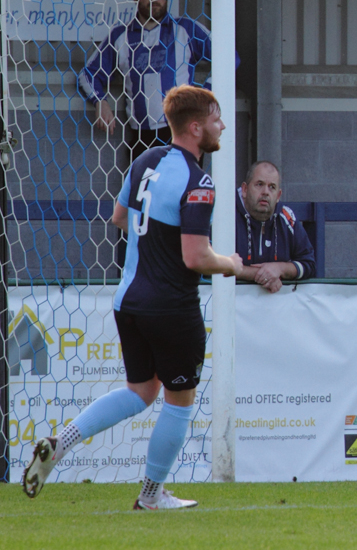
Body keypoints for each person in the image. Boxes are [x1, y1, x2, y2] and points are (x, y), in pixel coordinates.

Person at [22, 85, 243, 510]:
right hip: (171, 306)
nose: (222, 125)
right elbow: (196, 257)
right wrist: (230, 264)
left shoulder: (145, 160)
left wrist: (155, 241)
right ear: (196, 128)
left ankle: (61, 442)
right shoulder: (199, 182)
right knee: (179, 401)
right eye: (216, 119)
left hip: (129, 300)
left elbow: (119, 217)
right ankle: (150, 496)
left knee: (140, 391)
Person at [78, 0, 219, 163]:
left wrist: (205, 95)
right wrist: (99, 101)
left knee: (183, 182)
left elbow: (228, 55)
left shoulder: (185, 29)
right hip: (142, 137)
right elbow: (87, 74)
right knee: (144, 183)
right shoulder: (121, 36)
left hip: (183, 133)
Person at [235, 160, 317, 292]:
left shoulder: (287, 217)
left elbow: (309, 264)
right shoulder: (224, 215)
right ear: (245, 189)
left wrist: (280, 268)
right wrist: (260, 275)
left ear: (278, 196)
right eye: (259, 184)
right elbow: (209, 264)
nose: (265, 192)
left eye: (272, 187)